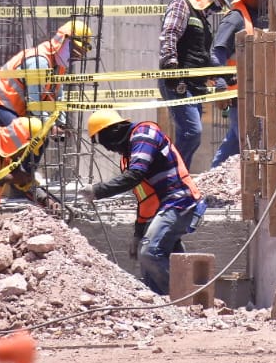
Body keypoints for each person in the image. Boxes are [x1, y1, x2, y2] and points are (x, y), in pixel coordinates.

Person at [81, 109, 206, 295]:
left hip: (179, 201)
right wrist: (138, 234)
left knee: (150, 253)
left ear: (112, 132)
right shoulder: (130, 155)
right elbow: (145, 200)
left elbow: (135, 175)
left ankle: (181, 300)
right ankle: (159, 304)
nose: (107, 148)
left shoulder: (144, 134)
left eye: (103, 140)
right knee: (155, 256)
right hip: (164, 206)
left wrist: (98, 191)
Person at [158, 0, 239, 169]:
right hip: (178, 83)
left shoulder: (202, 20)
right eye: (220, 3)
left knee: (191, 135)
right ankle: (173, 177)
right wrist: (171, 68)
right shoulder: (182, 5)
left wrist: (225, 77)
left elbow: (203, 57)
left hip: (193, 85)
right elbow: (169, 34)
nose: (218, 9)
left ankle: (173, 174)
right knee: (191, 132)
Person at [209, 0, 276, 169]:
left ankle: (212, 176)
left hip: (258, 94)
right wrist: (219, 83)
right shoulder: (236, 19)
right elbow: (216, 52)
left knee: (235, 142)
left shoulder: (260, 16)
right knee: (251, 142)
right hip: (240, 96)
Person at [0, 20, 94, 129]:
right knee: (21, 137)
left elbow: (58, 97)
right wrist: (51, 126)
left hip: (13, 105)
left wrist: (61, 123)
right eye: (75, 50)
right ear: (62, 41)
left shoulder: (60, 65)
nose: (75, 57)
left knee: (38, 139)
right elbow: (34, 104)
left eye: (79, 54)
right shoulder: (39, 62)